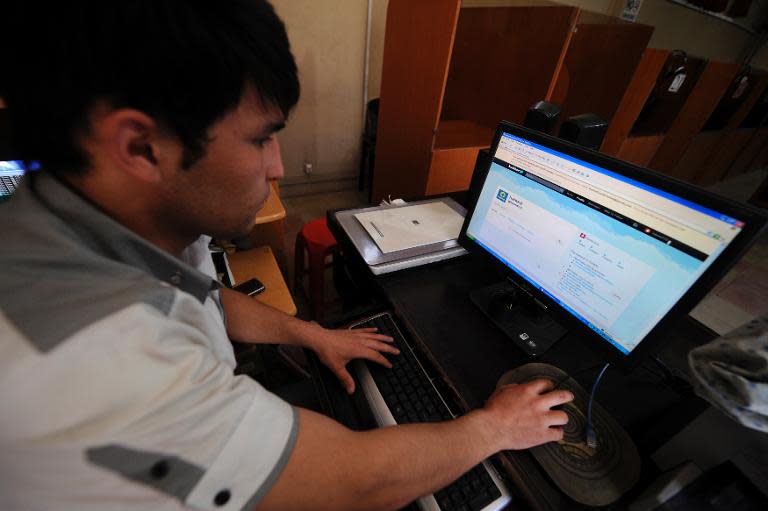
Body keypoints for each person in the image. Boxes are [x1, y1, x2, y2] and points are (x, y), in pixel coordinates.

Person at [0, 2, 573, 510]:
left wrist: (311, 334)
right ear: (141, 146)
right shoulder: (103, 370)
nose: (276, 168)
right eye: (259, 139)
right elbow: (360, 483)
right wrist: (494, 427)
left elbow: (204, 294)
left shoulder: (92, 218)